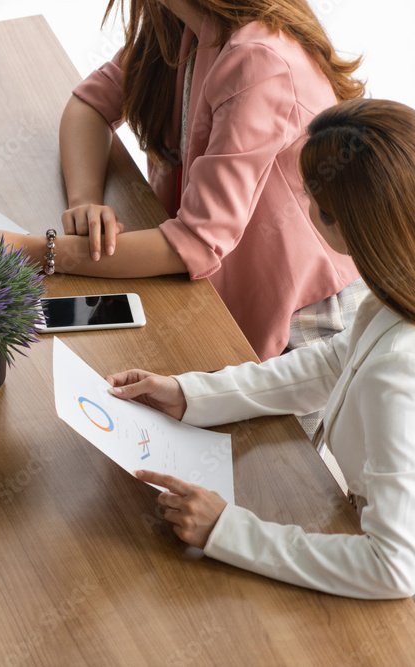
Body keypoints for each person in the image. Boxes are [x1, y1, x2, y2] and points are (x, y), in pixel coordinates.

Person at [105, 99, 415, 599]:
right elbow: (336, 360)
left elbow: (394, 567)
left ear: (345, 222)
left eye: (312, 193)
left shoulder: (399, 366)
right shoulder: (395, 290)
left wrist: (228, 531)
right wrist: (190, 395)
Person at [0, 0, 366, 363]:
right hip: (207, 285)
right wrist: (83, 203)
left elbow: (195, 243)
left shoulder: (256, 57)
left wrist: (34, 251)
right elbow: (91, 103)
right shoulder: (182, 24)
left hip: (304, 320)